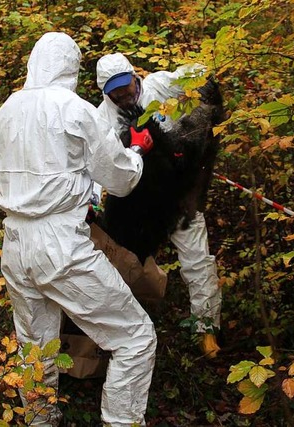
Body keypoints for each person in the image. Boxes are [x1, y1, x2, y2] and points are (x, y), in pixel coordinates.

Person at [0, 32, 157, 426]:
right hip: (60, 245)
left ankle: (41, 419)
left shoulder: (8, 109)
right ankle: (121, 421)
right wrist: (135, 152)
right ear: (72, 68)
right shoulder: (73, 108)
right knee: (134, 337)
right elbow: (119, 179)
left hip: (14, 242)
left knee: (34, 347)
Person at [96, 53, 223, 359]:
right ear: (105, 92)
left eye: (125, 85)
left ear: (133, 76)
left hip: (179, 192)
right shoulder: (102, 119)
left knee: (196, 259)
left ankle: (206, 329)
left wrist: (207, 75)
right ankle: (129, 325)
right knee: (127, 262)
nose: (122, 94)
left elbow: (199, 76)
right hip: (140, 202)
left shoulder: (161, 86)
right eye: (114, 90)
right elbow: (100, 165)